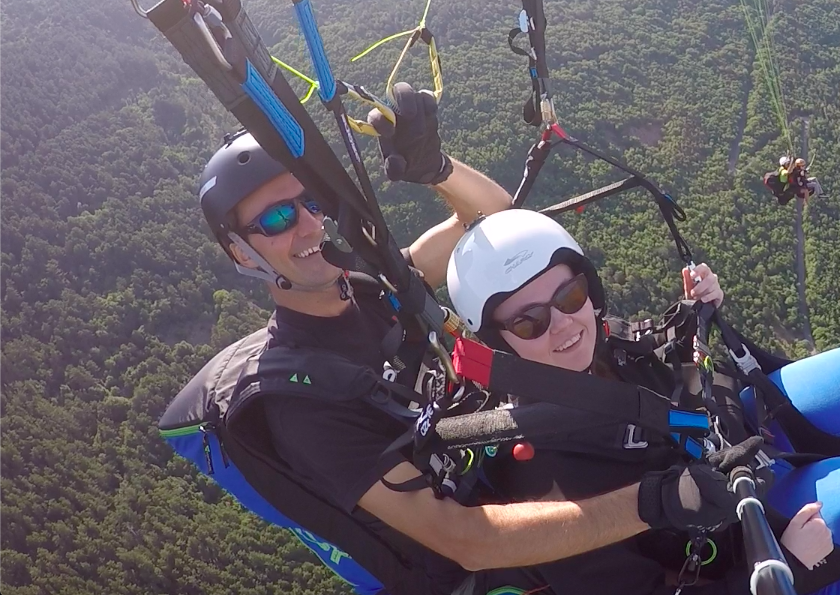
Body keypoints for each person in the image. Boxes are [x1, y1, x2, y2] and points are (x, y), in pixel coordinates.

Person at [192, 84, 741, 595]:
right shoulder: (301, 402)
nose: (309, 226)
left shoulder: (373, 289)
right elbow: (467, 541)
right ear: (241, 251)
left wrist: (436, 168)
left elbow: (495, 216)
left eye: (311, 201)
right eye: (278, 218)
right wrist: (658, 501)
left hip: (515, 451)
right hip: (510, 546)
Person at [446, 209, 840, 595]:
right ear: (499, 345)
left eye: (569, 295)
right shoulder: (542, 481)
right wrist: (788, 562)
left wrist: (696, 312)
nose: (563, 324)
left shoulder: (599, 341)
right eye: (529, 320)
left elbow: (657, 345)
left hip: (730, 427)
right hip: (748, 506)